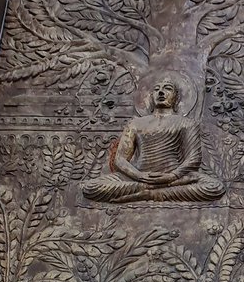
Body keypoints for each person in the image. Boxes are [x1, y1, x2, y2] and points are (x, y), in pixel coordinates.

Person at [83, 75, 223, 203]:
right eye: (157, 89)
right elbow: (120, 159)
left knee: (214, 187)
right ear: (150, 97)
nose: (161, 92)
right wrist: (139, 176)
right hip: (138, 179)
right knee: (91, 187)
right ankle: (154, 190)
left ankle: (152, 194)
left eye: (167, 88)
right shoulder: (135, 124)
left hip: (175, 179)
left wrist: (173, 175)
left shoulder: (186, 123)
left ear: (176, 97)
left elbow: (193, 158)